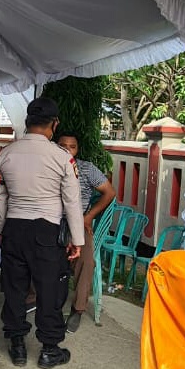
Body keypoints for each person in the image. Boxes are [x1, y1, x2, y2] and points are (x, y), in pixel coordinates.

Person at [0, 97, 84, 368]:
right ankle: (49, 349)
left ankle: (17, 345)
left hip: (14, 228)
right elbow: (72, 201)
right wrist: (76, 240)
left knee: (14, 288)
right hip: (46, 230)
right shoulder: (62, 158)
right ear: (54, 125)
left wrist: (1, 229)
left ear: (27, 122)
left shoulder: (5, 155)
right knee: (49, 289)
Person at [55, 133, 116, 333]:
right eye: (62, 145)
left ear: (77, 149)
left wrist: (89, 216)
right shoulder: (49, 164)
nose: (67, 150)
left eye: (71, 146)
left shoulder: (87, 168)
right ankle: (35, 300)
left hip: (79, 222)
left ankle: (77, 309)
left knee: (87, 261)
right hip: (52, 220)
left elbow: (109, 192)